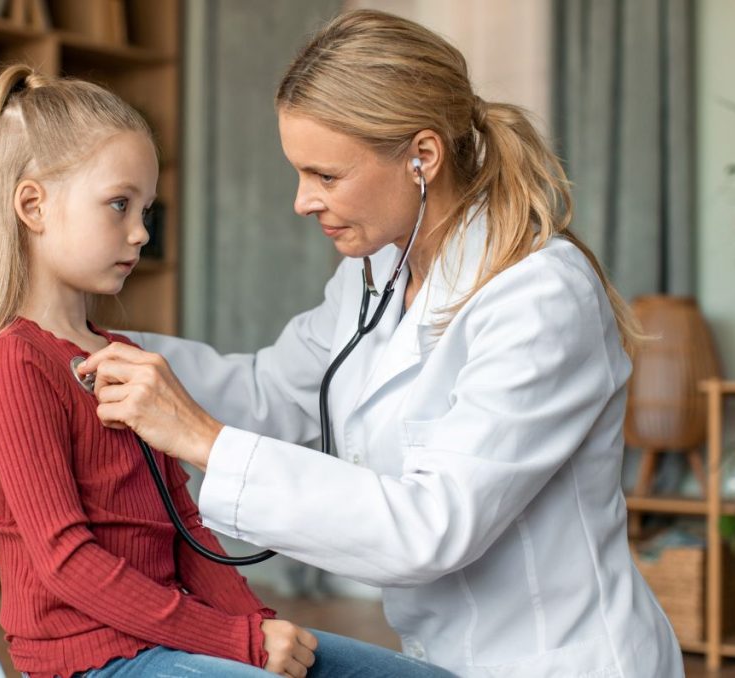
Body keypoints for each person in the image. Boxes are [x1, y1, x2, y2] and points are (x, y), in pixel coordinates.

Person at [78, 9, 685, 678]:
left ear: (422, 157)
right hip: (443, 660)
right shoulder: (372, 277)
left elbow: (434, 527)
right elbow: (268, 393)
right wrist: (88, 343)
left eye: (327, 176)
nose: (303, 202)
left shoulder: (540, 296)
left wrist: (199, 438)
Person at [0, 64, 456, 678]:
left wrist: (260, 629)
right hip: (93, 661)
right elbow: (65, 563)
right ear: (33, 205)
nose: (139, 233)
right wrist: (234, 640)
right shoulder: (13, 364)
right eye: (118, 205)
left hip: (164, 640)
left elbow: (184, 526)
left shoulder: (120, 358)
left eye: (145, 210)